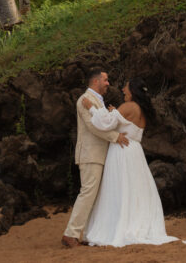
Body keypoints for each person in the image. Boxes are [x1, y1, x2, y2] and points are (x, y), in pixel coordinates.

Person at [81, 77, 179, 247]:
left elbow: (104, 124)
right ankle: (136, 222)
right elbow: (121, 121)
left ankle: (117, 226)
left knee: (118, 188)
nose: (123, 90)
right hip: (135, 152)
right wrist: (114, 112)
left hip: (121, 152)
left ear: (132, 91)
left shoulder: (127, 106)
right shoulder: (141, 109)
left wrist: (92, 109)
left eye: (125, 88)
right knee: (134, 189)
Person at [61, 68, 129, 248]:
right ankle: (70, 234)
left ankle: (85, 234)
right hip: (90, 154)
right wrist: (116, 137)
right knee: (88, 193)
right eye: (105, 80)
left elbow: (104, 122)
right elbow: (94, 127)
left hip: (99, 154)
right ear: (95, 81)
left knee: (94, 195)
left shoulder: (97, 100)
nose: (108, 83)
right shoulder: (85, 100)